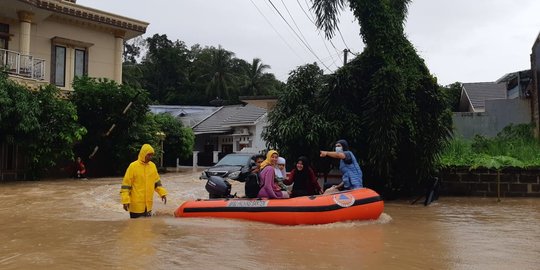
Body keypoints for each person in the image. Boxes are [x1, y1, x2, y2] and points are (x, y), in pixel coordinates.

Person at [120, 144, 168, 218]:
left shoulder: (152, 166)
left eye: (151, 155)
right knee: (135, 228)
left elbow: (157, 183)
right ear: (143, 154)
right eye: (148, 155)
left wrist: (162, 193)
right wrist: (125, 201)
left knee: (147, 228)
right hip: (136, 206)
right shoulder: (133, 166)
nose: (150, 157)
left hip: (148, 206)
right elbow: (126, 185)